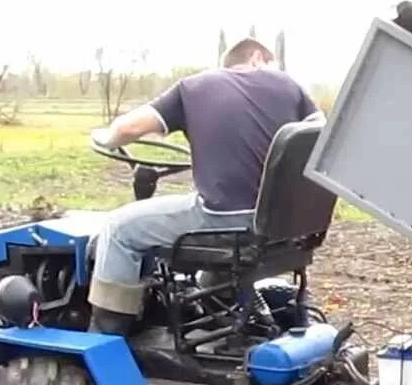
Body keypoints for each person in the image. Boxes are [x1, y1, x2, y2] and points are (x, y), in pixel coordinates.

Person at [86, 37, 324, 335]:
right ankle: (207, 308)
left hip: (228, 222)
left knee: (118, 229)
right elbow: (323, 137)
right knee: (194, 213)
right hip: (286, 227)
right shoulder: (290, 86)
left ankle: (106, 334)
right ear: (257, 57)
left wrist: (103, 136)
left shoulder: (193, 87)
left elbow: (128, 128)